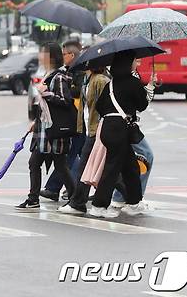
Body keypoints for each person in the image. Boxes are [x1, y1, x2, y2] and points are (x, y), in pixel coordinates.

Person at [16, 42, 76, 210]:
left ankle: (74, 197)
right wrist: (35, 122)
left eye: (43, 53)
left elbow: (66, 101)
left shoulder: (58, 77)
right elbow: (43, 106)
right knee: (35, 162)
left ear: (51, 56)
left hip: (54, 130)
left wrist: (46, 93)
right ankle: (33, 198)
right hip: (44, 128)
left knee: (60, 165)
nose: (40, 56)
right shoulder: (48, 75)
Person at [90, 50, 149, 218]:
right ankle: (99, 205)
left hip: (108, 127)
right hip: (120, 129)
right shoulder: (132, 82)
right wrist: (145, 87)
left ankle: (134, 202)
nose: (135, 63)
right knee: (112, 168)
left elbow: (100, 106)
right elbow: (142, 105)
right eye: (134, 61)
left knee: (130, 166)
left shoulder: (111, 84)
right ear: (128, 63)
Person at [58, 66, 110, 214]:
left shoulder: (100, 80)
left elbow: (106, 105)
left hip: (98, 130)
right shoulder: (87, 80)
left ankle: (78, 203)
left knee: (86, 167)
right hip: (90, 129)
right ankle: (131, 196)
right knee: (106, 169)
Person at [40, 40, 86, 201]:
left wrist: (64, 85)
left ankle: (62, 189)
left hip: (79, 120)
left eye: (64, 53)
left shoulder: (79, 71)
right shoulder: (65, 72)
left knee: (70, 157)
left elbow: (75, 93)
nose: (62, 56)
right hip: (74, 120)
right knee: (74, 157)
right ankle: (68, 189)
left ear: (71, 55)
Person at [109, 58, 157, 208]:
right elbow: (142, 104)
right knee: (146, 156)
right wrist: (149, 87)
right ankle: (133, 198)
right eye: (136, 60)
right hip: (127, 127)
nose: (139, 62)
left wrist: (150, 85)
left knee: (125, 162)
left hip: (116, 126)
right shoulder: (131, 78)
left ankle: (122, 197)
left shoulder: (118, 78)